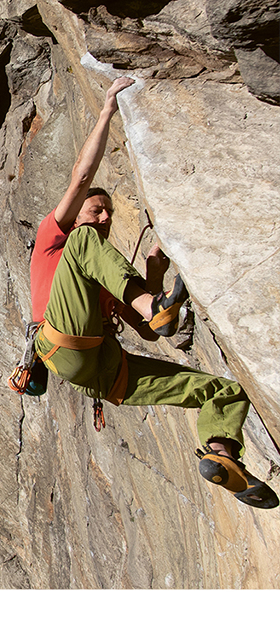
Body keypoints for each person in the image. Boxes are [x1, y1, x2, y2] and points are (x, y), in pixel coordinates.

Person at [29, 76, 278, 509]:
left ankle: (224, 455)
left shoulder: (103, 280)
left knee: (224, 391)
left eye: (108, 211)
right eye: (96, 208)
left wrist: (152, 273)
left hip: (100, 371)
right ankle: (152, 302)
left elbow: (148, 334)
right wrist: (106, 109)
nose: (104, 216)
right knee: (85, 242)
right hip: (59, 341)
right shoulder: (57, 238)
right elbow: (82, 174)